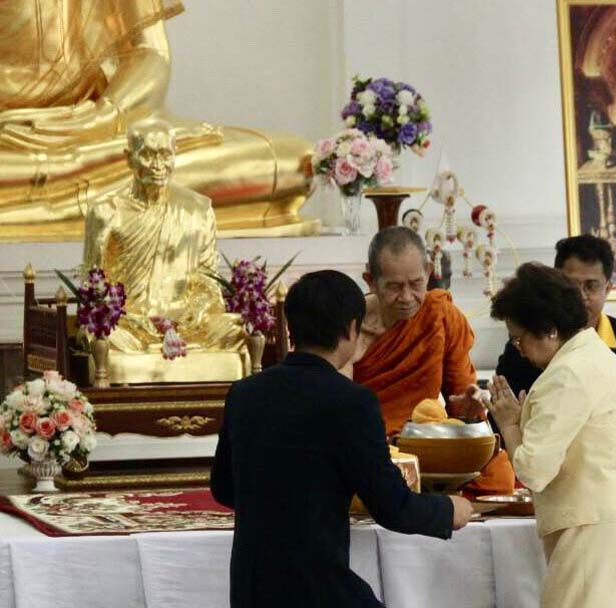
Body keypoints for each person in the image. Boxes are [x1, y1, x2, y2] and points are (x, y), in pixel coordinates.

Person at [210, 269, 473, 608]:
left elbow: (223, 488)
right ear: (352, 329)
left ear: (290, 328)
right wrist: (449, 510)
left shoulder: (245, 393)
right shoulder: (351, 402)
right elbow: (393, 507)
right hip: (318, 590)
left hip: (252, 592)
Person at [0, 0, 313, 241]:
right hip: (11, 144)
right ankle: (77, 193)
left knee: (294, 161)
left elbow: (150, 54)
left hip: (103, 128)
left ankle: (72, 191)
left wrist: (103, 116)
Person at [488, 263, 616, 608]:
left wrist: (509, 425)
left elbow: (534, 471)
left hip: (596, 532)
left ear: (550, 330)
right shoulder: (598, 357)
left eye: (519, 337)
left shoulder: (566, 375)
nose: (517, 348)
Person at [349, 226, 515, 494]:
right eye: (394, 287)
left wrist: (469, 410)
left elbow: (462, 406)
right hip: (369, 446)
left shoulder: (441, 316)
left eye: (416, 284)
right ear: (370, 280)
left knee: (499, 476)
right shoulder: (347, 326)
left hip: (426, 444)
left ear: (428, 271)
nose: (406, 298)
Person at [83, 120, 246, 382]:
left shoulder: (197, 208)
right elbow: (93, 284)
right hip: (129, 327)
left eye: (165, 155)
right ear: (129, 158)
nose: (158, 165)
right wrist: (134, 321)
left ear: (175, 154)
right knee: (103, 337)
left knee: (238, 331)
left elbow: (207, 281)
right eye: (148, 155)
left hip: (189, 325)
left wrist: (193, 315)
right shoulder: (106, 211)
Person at [496, 235, 616, 451]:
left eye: (591, 286)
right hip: (539, 458)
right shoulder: (527, 342)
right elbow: (504, 409)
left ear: (608, 288)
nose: (582, 296)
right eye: (572, 285)